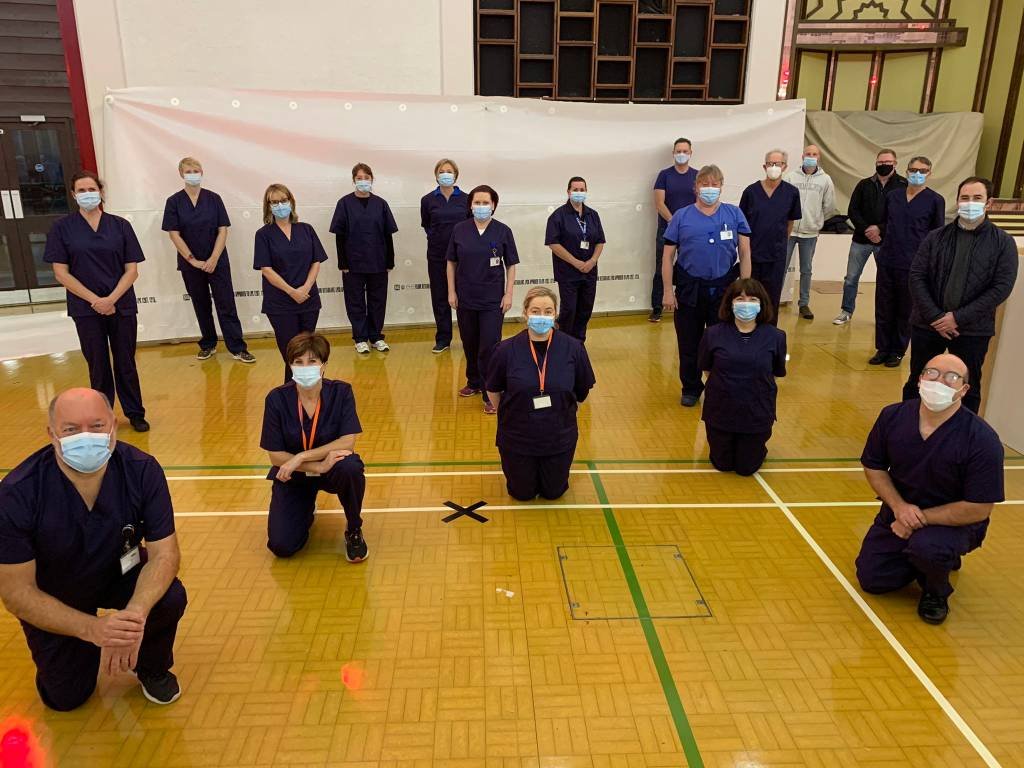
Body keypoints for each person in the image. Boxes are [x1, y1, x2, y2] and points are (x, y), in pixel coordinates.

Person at [0, 388, 187, 710]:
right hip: (56, 591)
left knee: (168, 597)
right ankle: (76, 648)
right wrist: (92, 629)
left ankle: (152, 666)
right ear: (52, 434)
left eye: (97, 425)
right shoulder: (17, 493)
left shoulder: (142, 470)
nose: (85, 437)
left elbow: (165, 554)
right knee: (65, 698)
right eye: (71, 429)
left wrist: (134, 616)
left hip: (119, 571)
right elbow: (16, 592)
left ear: (113, 426)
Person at [855, 354, 1004, 625]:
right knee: (873, 579)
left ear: (964, 390)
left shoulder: (982, 439)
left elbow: (979, 507)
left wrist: (917, 520)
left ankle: (936, 591)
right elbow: (874, 467)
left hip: (952, 523)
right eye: (932, 373)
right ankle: (933, 559)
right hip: (899, 513)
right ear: (920, 378)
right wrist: (900, 509)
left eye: (951, 377)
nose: (939, 381)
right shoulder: (893, 416)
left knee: (929, 548)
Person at [44, 171, 150, 432]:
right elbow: (61, 272)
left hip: (121, 305)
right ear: (73, 195)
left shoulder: (120, 226)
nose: (87, 194)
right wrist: (95, 301)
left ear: (101, 192)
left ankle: (135, 412)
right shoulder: (62, 228)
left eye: (91, 189)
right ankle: (101, 416)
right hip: (86, 309)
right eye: (81, 190)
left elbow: (132, 269)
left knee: (126, 361)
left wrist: (112, 299)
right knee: (98, 364)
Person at [904, 176, 1019, 413]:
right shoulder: (935, 237)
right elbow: (916, 276)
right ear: (957, 201)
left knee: (969, 387)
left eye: (977, 198)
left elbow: (1001, 287)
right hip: (928, 326)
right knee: (918, 381)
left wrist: (957, 318)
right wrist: (936, 317)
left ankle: (962, 438)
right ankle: (908, 430)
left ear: (989, 203)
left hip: (973, 330)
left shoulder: (1003, 243)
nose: (970, 203)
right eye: (964, 198)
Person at [259, 332, 368, 563]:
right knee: (282, 546)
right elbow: (276, 456)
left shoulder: (341, 392)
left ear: (324, 365)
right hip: (296, 477)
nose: (304, 367)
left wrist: (300, 457)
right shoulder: (276, 399)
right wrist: (316, 466)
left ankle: (354, 527)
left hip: (332, 470)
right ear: (290, 366)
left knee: (349, 466)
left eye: (312, 361)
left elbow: (347, 442)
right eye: (298, 362)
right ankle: (304, 508)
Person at [486, 287, 595, 500]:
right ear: (525, 313)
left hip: (558, 437)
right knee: (522, 493)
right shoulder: (505, 350)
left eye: (548, 311)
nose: (541, 316)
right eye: (535, 311)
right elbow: (493, 389)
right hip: (518, 437)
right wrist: (511, 414)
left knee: (553, 492)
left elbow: (582, 391)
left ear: (555, 314)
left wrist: (561, 413)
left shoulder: (574, 348)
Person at [661, 164, 752, 407]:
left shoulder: (734, 215)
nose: (709, 188)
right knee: (689, 342)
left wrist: (745, 290)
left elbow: (744, 252)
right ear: (696, 187)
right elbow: (668, 256)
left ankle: (719, 386)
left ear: (721, 187)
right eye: (704, 184)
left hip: (723, 289)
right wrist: (668, 291)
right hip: (690, 289)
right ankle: (691, 387)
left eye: (714, 184)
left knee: (722, 342)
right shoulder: (681, 216)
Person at [161, 157, 254, 364]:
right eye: (189, 171)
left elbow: (223, 229)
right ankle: (208, 344)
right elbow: (174, 233)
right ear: (181, 174)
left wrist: (213, 258)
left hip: (217, 261)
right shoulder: (174, 202)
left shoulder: (214, 199)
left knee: (226, 303)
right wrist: (192, 260)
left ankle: (237, 347)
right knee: (201, 303)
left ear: (202, 172)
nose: (193, 173)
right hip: (190, 263)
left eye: (196, 170)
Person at [698, 279, 786, 475]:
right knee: (723, 464)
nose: (746, 303)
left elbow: (775, 373)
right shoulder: (712, 334)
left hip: (756, 412)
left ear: (761, 303)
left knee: (746, 468)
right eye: (740, 298)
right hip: (721, 410)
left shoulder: (776, 336)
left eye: (752, 298)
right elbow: (707, 369)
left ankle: (755, 446)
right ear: (730, 303)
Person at [446, 185, 519, 415]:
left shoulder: (503, 231)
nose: (481, 207)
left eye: (485, 203)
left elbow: (511, 264)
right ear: (470, 205)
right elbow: (451, 263)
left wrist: (508, 294)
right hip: (466, 297)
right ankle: (474, 382)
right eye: (477, 203)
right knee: (470, 342)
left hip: (492, 300)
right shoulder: (460, 229)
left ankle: (491, 391)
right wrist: (451, 291)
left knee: (490, 346)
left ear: (494, 205)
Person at [870, 156, 945, 368]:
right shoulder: (894, 196)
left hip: (913, 263)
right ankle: (882, 348)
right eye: (913, 169)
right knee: (884, 305)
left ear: (929, 173)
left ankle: (897, 350)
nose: (917, 173)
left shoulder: (935, 200)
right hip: (888, 258)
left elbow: (936, 234)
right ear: (907, 170)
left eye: (922, 170)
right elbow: (885, 223)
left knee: (906, 309)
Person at [253, 183, 328, 384]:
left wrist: (305, 288)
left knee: (311, 353)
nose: (280, 205)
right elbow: (266, 269)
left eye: (283, 201)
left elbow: (316, 261)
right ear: (268, 206)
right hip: (280, 303)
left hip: (308, 300)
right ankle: (291, 395)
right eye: (274, 202)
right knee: (291, 354)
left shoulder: (306, 229)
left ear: (291, 202)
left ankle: (316, 390)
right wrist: (291, 291)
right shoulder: (263, 235)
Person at [330, 163, 399, 354]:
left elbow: (388, 234)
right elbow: (339, 235)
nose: (363, 181)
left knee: (378, 300)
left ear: (372, 179)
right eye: (359, 178)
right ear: (353, 180)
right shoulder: (344, 204)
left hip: (378, 260)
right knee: (355, 301)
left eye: (366, 177)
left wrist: (389, 261)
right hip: (353, 262)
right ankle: (360, 337)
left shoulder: (381, 204)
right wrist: (342, 262)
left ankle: (376, 336)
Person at [835, 149, 906, 325]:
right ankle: (846, 311)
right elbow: (853, 210)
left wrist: (880, 230)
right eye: (880, 162)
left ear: (895, 163)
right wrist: (867, 229)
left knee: (885, 281)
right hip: (861, 240)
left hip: (886, 242)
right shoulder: (864, 185)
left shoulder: (902, 185)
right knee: (851, 278)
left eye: (887, 162)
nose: (884, 165)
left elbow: (901, 214)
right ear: (875, 163)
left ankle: (884, 315)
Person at [739, 150, 802, 322]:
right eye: (770, 163)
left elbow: (790, 223)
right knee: (750, 298)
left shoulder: (791, 193)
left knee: (771, 299)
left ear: (785, 167)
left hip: (776, 256)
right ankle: (748, 333)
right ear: (764, 166)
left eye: (778, 164)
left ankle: (768, 336)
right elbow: (742, 224)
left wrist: (780, 243)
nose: (774, 167)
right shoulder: (751, 192)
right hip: (752, 256)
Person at [545, 176, 606, 342]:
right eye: (575, 190)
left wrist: (592, 261)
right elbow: (553, 243)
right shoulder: (558, 216)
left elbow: (600, 241)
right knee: (569, 309)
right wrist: (576, 262)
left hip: (589, 271)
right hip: (568, 272)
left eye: (582, 190)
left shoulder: (593, 215)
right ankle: (563, 341)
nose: (579, 193)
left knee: (585, 309)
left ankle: (579, 343)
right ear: (568, 191)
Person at [420, 158, 470, 353]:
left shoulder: (466, 199)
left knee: (464, 296)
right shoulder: (427, 200)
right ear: (436, 175)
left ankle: (468, 337)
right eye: (442, 171)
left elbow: (471, 224)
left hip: (463, 256)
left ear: (456, 175)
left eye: (449, 171)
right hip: (437, 255)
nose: (445, 174)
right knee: (440, 296)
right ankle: (443, 338)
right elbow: (426, 224)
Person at [783, 144, 835, 320]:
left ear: (819, 157)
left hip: (810, 233)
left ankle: (804, 303)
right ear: (802, 156)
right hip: (789, 231)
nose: (811, 156)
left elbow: (829, 206)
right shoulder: (790, 177)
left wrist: (816, 221)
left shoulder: (826, 180)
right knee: (780, 267)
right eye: (808, 153)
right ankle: (774, 299)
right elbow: (784, 204)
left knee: (806, 269)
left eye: (814, 154)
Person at [650, 138, 698, 322]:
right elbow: (659, 203)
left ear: (691, 153)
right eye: (678, 151)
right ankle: (657, 306)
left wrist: (687, 224)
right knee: (662, 266)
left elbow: (701, 203)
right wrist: (674, 221)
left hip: (691, 230)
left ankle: (686, 303)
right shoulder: (664, 175)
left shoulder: (697, 175)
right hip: (667, 228)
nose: (681, 154)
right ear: (673, 153)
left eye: (685, 151)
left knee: (690, 266)